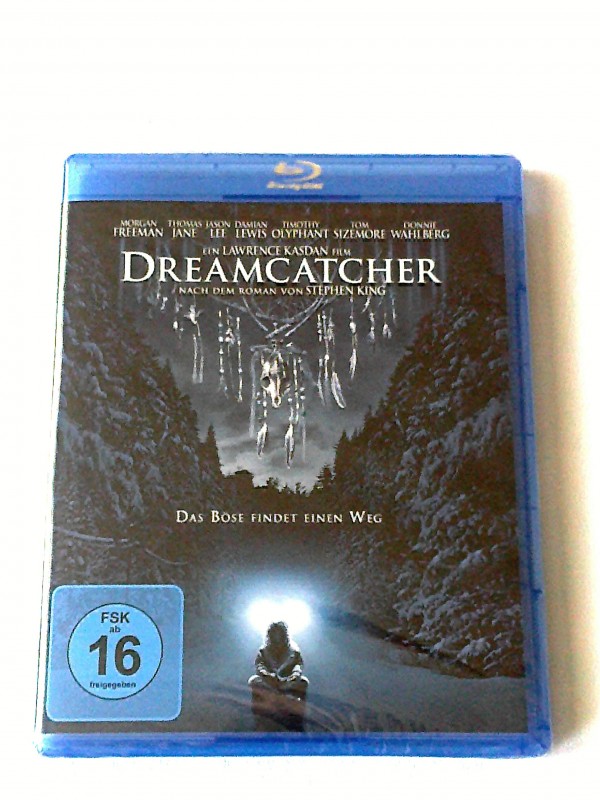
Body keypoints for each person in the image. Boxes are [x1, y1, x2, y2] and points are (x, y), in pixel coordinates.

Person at [248, 621, 309, 730]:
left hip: (288, 682)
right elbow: (260, 665)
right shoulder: (263, 651)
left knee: (303, 682)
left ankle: (298, 717)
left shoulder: (294, 651)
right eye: (275, 633)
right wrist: (267, 676)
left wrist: (293, 676)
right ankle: (258, 714)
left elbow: (298, 665)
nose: (277, 636)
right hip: (269, 683)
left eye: (280, 633)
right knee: (253, 681)